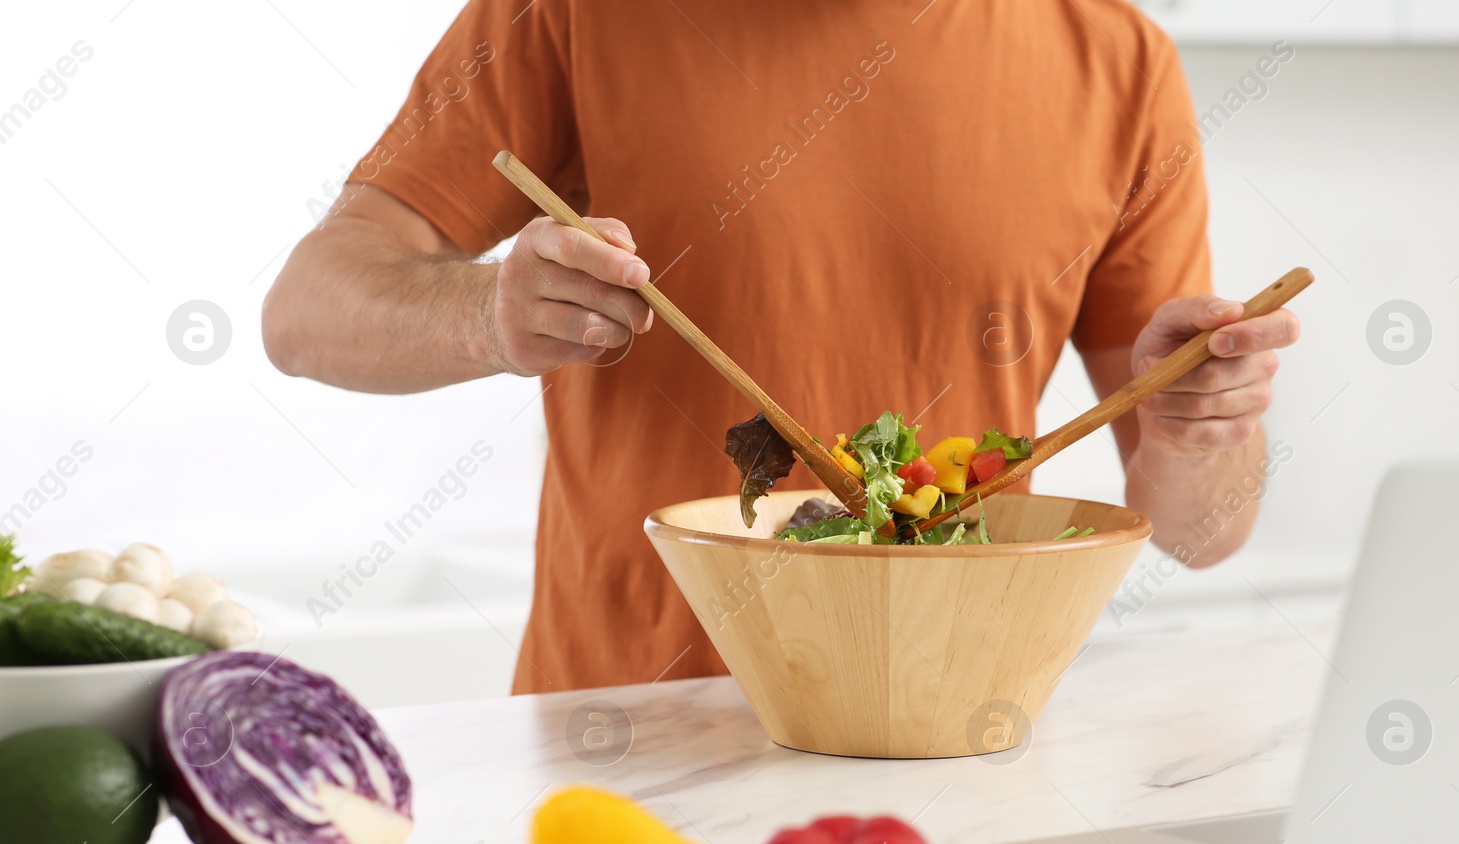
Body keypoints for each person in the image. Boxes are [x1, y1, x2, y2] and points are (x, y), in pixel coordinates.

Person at [262, 0, 1301, 694]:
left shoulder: (1116, 58)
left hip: (956, 744)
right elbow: (306, 312)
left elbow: (1201, 531)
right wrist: (490, 311)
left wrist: (1194, 423)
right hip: (627, 747)